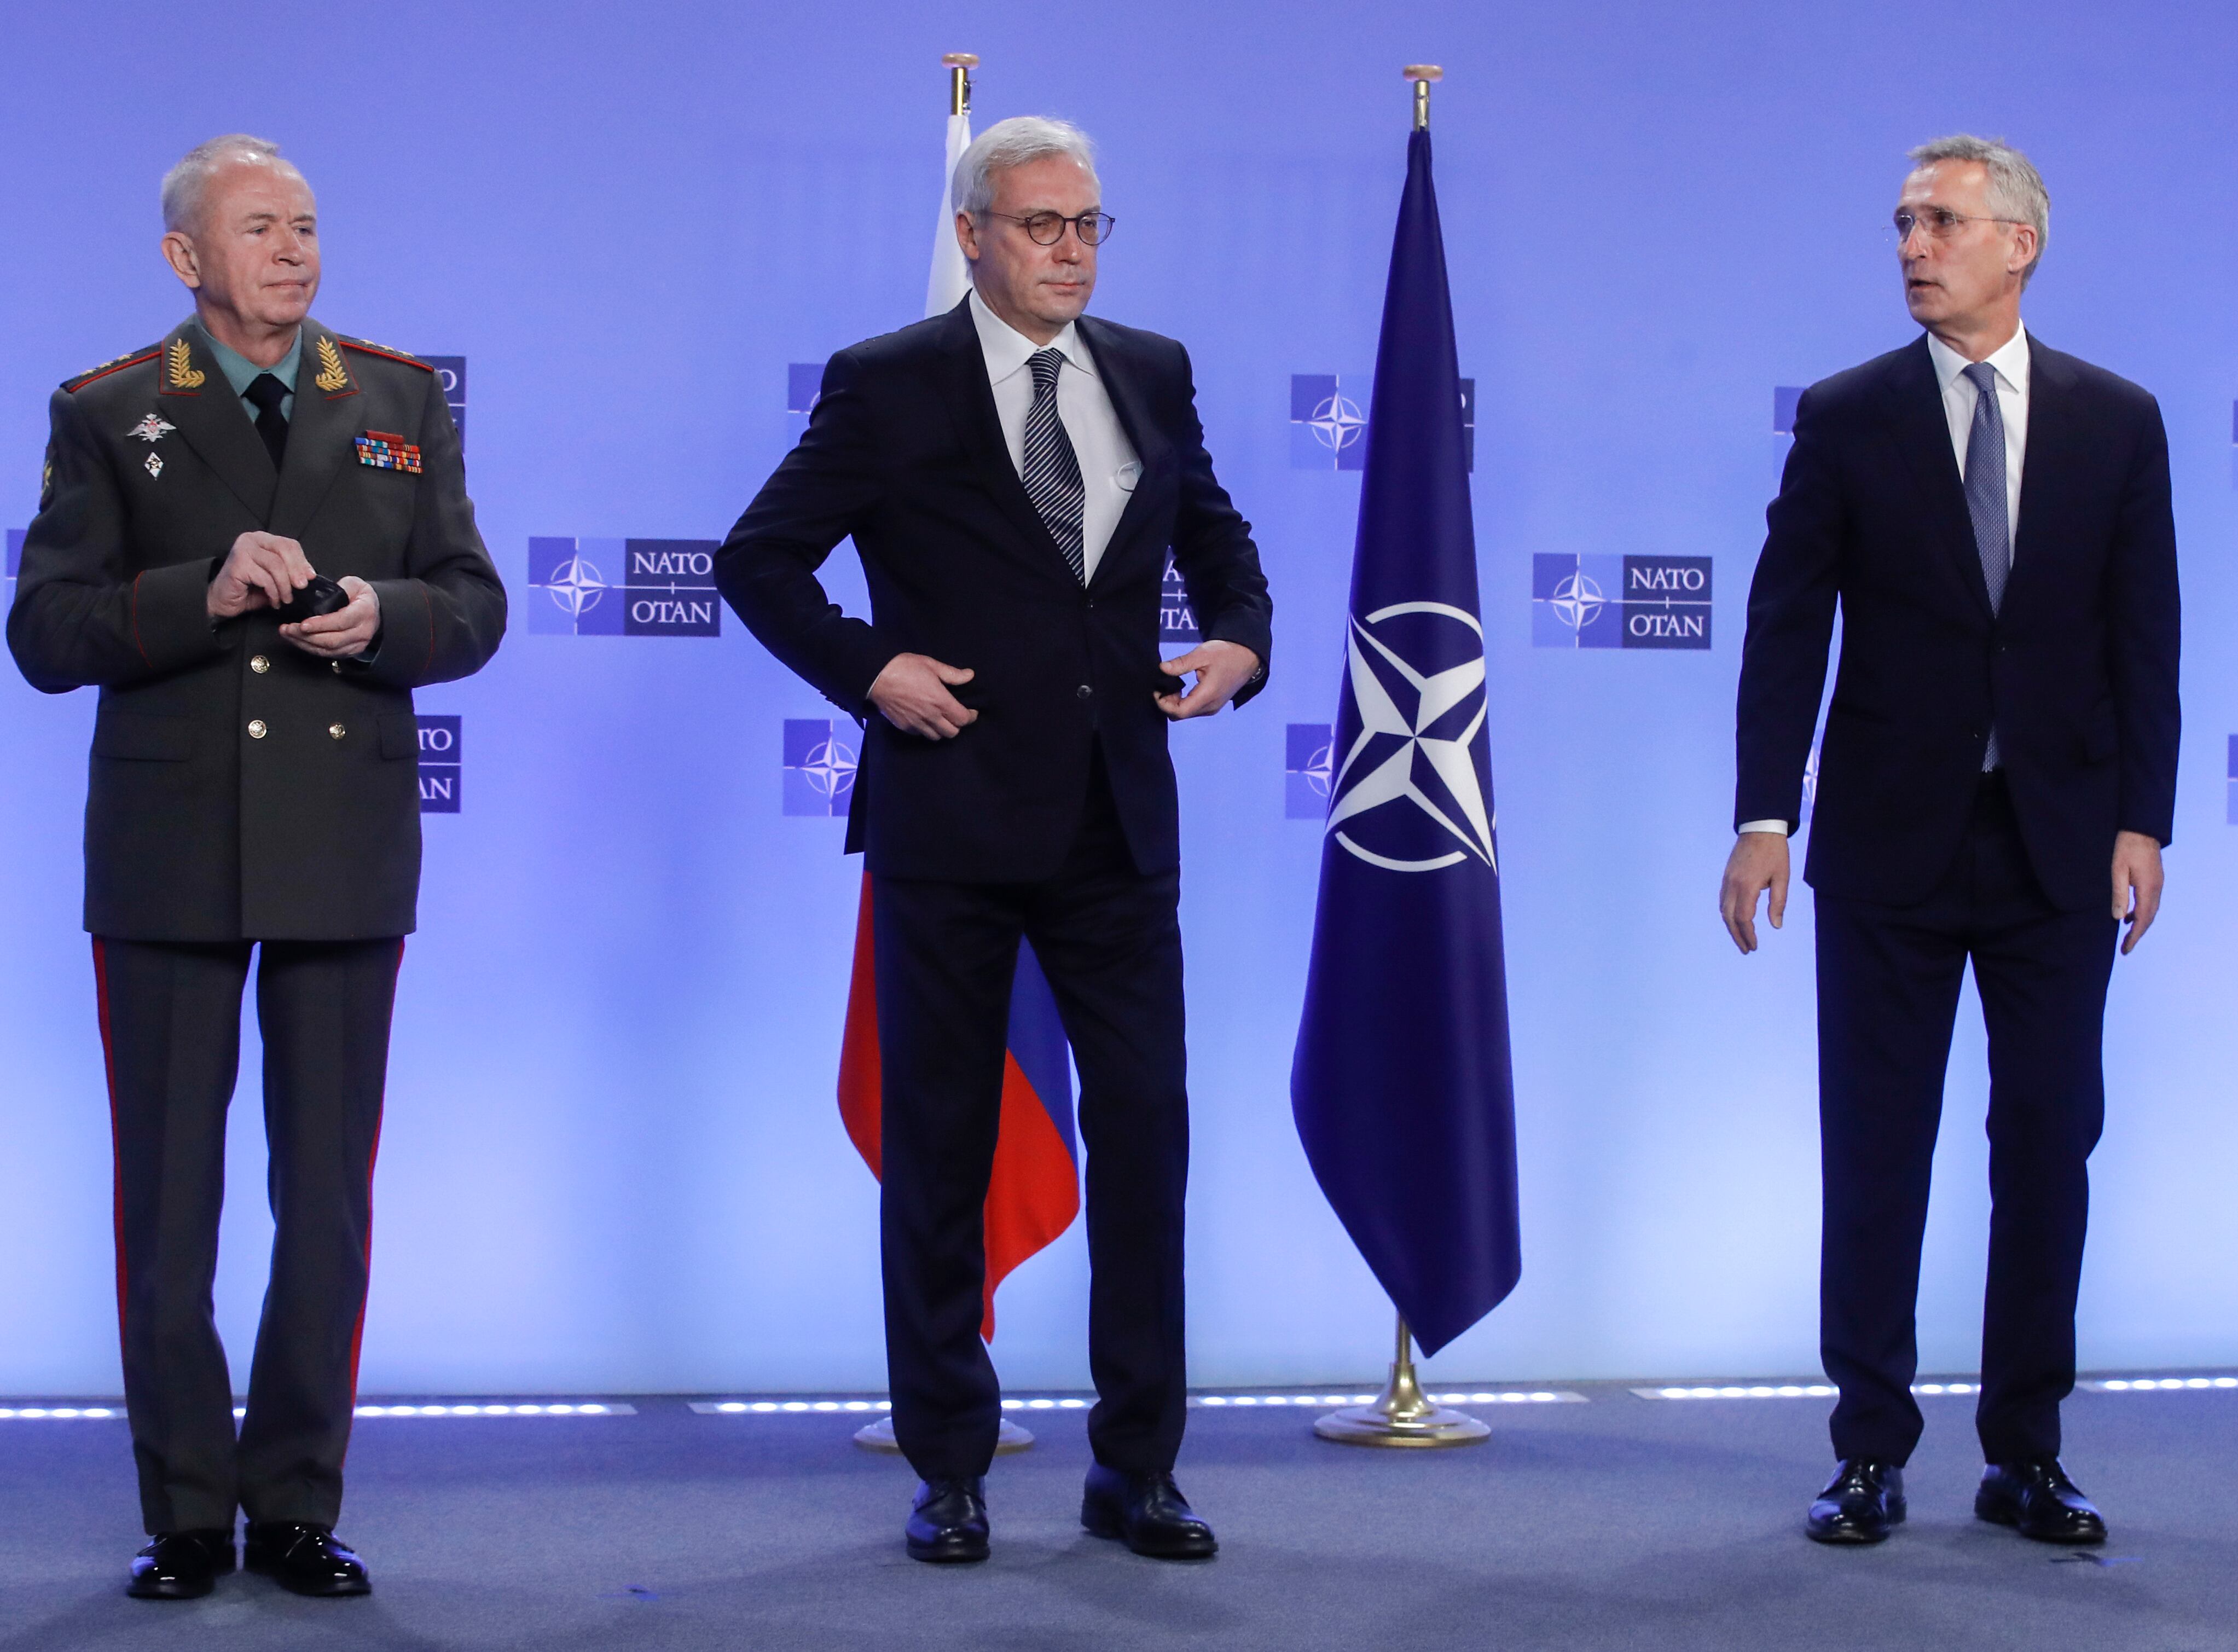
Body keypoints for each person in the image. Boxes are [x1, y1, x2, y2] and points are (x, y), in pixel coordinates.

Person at [717, 115, 1271, 1564]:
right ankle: (949, 1468)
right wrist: (869, 671)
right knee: (941, 1152)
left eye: (1087, 225)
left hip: (1115, 825)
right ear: (971, 236)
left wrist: (1240, 637)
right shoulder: (887, 381)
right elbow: (757, 560)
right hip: (950, 816)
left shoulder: (1151, 368)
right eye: (1039, 225)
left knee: (1146, 1140)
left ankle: (1136, 1470)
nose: (1069, 251)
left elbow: (1216, 533)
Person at [7, 135, 506, 1599]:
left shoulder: (399, 398)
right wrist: (199, 590)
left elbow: (474, 604)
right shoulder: (109, 409)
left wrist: (389, 618)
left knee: (327, 1200)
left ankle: (294, 1504)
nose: (294, 251)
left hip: (342, 842)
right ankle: (183, 1511)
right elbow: (45, 633)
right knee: (169, 1207)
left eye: (305, 225)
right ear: (186, 259)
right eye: (259, 228)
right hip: (170, 852)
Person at [1722, 135, 2178, 1547]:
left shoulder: (2118, 419)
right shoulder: (1848, 414)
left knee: (2046, 1147)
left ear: (2019, 245)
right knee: (1875, 1151)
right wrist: (1763, 815)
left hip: (2055, 848)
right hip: (1885, 847)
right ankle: (1867, 1449)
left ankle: (2024, 1453)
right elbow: (1786, 623)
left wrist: (2142, 818)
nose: (1914, 246)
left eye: (1941, 222)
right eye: (1903, 223)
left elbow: (2145, 636)